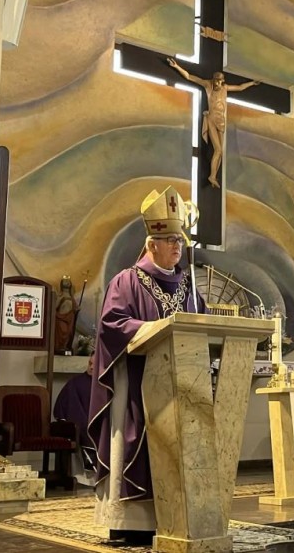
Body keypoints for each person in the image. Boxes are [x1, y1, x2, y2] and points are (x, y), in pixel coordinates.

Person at [88, 186, 206, 545]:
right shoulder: (127, 282)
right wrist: (155, 330)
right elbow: (112, 323)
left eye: (179, 240)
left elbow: (200, 327)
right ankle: (129, 524)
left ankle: (173, 519)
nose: (177, 246)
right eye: (170, 240)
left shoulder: (188, 287)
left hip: (179, 386)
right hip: (137, 385)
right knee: (136, 444)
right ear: (151, 244)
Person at [166, 58, 259, 189]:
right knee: (218, 149)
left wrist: (251, 83)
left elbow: (239, 88)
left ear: (223, 81)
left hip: (221, 121)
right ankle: (212, 176)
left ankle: (213, 176)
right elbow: (189, 77)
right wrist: (176, 66)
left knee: (220, 152)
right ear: (213, 80)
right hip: (211, 119)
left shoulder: (225, 88)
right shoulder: (207, 85)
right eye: (215, 80)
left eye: (219, 81)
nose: (217, 83)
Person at [53, 351, 96, 472]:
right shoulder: (75, 383)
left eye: (96, 364)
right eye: (90, 363)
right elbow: (67, 408)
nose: (92, 367)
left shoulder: (107, 385)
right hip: (83, 425)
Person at [54, 275, 76, 354]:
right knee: (62, 332)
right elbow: (55, 307)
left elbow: (75, 307)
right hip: (61, 318)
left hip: (69, 319)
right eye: (65, 281)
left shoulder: (71, 297)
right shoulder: (60, 296)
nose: (66, 282)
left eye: (68, 281)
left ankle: (65, 347)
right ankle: (59, 347)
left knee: (68, 333)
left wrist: (77, 309)